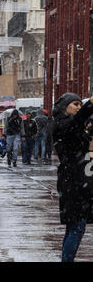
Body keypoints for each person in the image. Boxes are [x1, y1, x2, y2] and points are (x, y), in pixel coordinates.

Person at [52, 93, 93, 262]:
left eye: (79, 104)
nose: (77, 107)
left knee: (74, 227)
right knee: (77, 227)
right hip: (72, 180)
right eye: (74, 104)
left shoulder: (71, 125)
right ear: (64, 106)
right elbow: (75, 124)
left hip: (78, 178)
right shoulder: (61, 124)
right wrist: (89, 104)